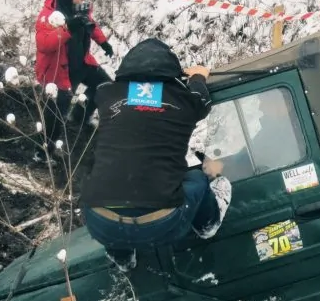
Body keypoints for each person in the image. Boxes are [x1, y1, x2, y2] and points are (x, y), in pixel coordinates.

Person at [80, 38, 231, 270]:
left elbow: (116, 96)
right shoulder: (183, 99)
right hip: (161, 225)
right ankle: (208, 225)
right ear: (172, 72)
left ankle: (123, 257)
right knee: (198, 179)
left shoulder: (107, 95)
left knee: (104, 181)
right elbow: (203, 99)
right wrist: (198, 77)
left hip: (101, 224)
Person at [34, 0, 113, 159]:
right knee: (54, 116)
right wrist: (67, 28)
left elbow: (89, 24)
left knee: (105, 86)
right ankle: (42, 152)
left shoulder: (80, 8)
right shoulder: (49, 16)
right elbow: (44, 44)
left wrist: (103, 42)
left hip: (82, 63)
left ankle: (79, 116)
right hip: (59, 72)